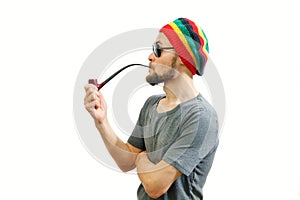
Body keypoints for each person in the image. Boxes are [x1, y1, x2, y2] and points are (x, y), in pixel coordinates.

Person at [84, 18, 219, 200]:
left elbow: (156, 185)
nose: (150, 57)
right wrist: (101, 120)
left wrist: (141, 158)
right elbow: (126, 161)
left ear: (182, 58)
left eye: (158, 49)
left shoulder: (201, 116)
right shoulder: (151, 105)